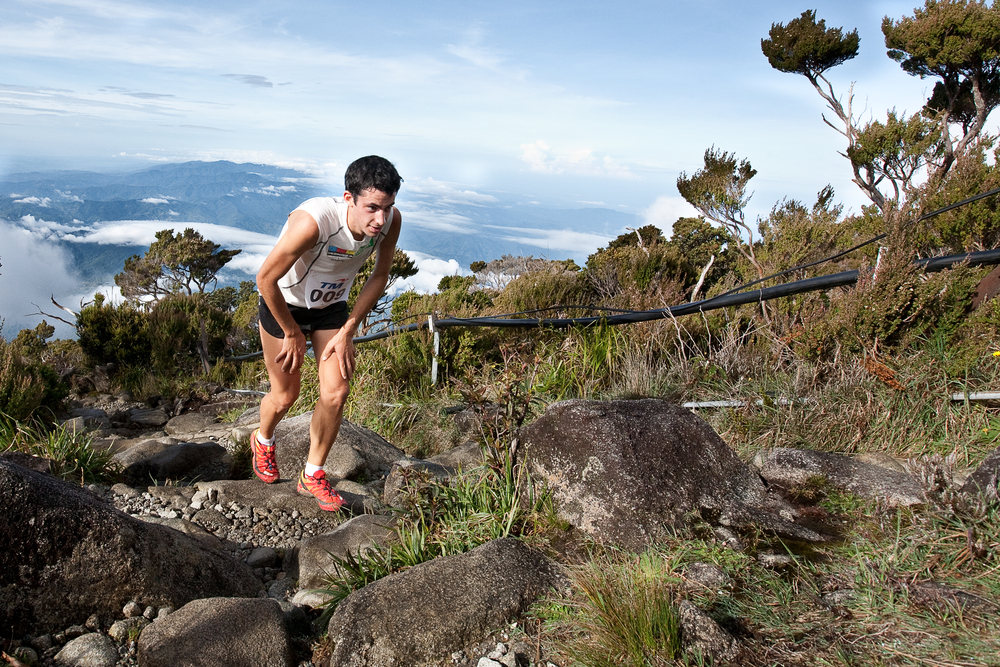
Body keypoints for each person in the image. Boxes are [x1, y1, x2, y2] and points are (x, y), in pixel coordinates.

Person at [252, 155, 402, 511]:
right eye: (372, 208)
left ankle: (313, 474)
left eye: (388, 207)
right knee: (285, 395)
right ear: (348, 198)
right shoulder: (314, 223)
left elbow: (379, 275)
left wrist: (349, 327)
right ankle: (263, 438)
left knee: (336, 392)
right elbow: (264, 279)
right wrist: (291, 331)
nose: (380, 219)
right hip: (283, 305)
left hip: (331, 309)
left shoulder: (390, 221)